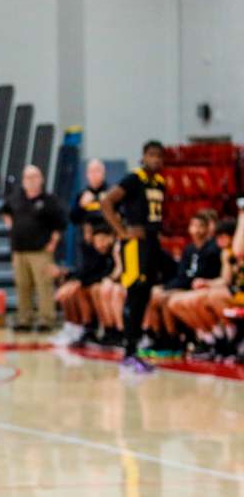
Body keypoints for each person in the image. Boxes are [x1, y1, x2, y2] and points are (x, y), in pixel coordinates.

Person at [100, 140, 167, 373]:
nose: (155, 159)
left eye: (159, 156)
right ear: (143, 157)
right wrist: (122, 231)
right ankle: (129, 352)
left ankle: (136, 347)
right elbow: (106, 202)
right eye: (151, 155)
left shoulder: (160, 182)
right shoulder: (134, 179)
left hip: (152, 243)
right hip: (135, 246)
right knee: (134, 296)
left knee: (145, 295)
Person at [140, 211, 221, 357]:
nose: (196, 229)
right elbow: (181, 274)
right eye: (193, 225)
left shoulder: (212, 249)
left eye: (200, 226)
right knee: (153, 293)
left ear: (207, 228)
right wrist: (166, 287)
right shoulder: (189, 249)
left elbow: (200, 276)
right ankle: (156, 335)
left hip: (197, 287)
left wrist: (169, 289)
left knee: (166, 299)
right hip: (186, 285)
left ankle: (174, 339)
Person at [1, 165, 67, 333]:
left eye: (35, 177)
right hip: (19, 250)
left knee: (44, 286)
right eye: (28, 177)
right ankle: (24, 319)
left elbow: (60, 224)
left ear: (41, 179)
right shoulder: (16, 198)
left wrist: (53, 242)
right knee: (22, 286)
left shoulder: (49, 200)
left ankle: (47, 320)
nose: (31, 180)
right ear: (23, 181)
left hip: (41, 251)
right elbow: (5, 210)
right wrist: (11, 226)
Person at [52, 222, 116, 347]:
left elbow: (106, 273)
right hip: (100, 282)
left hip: (119, 286)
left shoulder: (116, 249)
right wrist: (70, 278)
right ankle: (82, 328)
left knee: (95, 289)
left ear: (111, 237)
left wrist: (77, 282)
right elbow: (88, 271)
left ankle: (113, 331)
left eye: (102, 240)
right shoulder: (90, 249)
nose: (99, 243)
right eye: (85, 232)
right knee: (76, 289)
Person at [70, 158, 108, 242]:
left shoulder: (111, 193)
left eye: (97, 171)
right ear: (87, 174)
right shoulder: (81, 195)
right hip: (87, 244)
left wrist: (108, 204)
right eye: (91, 171)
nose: (94, 174)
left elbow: (121, 216)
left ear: (103, 173)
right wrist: (81, 206)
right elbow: (73, 219)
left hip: (107, 241)